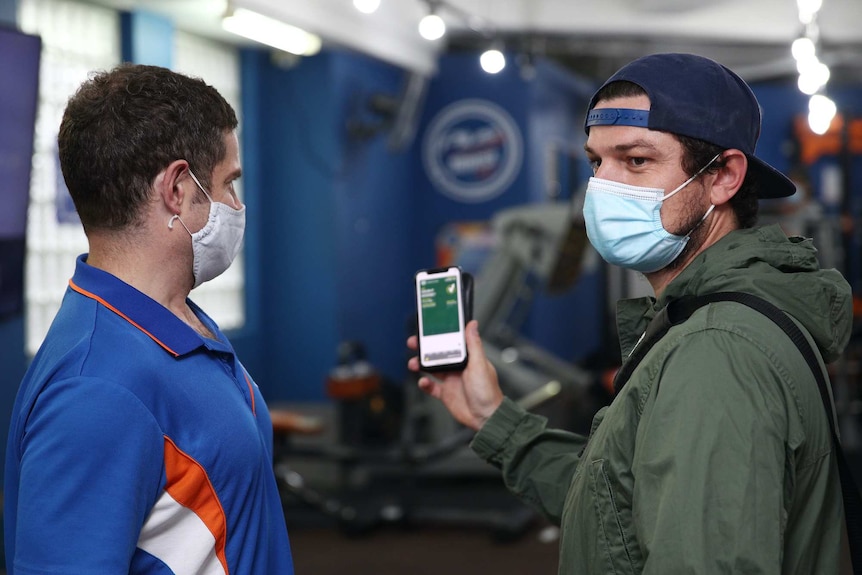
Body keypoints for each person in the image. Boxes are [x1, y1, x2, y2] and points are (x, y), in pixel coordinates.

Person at [408, 53, 852, 573]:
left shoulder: (717, 353)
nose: (604, 187)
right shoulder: (708, 320)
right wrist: (492, 417)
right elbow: (618, 512)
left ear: (724, 177)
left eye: (636, 160)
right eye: (598, 162)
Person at [4, 64, 294, 574]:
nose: (236, 204)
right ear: (178, 189)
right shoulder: (96, 390)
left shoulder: (179, 319)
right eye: (228, 183)